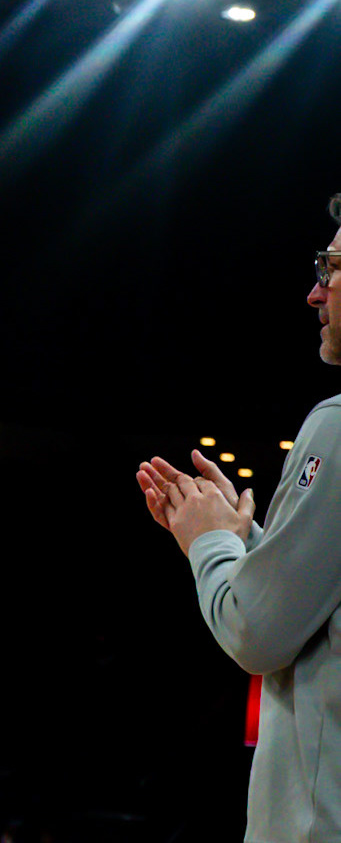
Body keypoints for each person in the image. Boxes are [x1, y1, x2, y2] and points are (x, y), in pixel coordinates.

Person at [136, 192, 341, 843]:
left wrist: (209, 544)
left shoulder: (336, 426)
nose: (314, 293)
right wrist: (246, 539)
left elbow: (254, 631)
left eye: (330, 268)